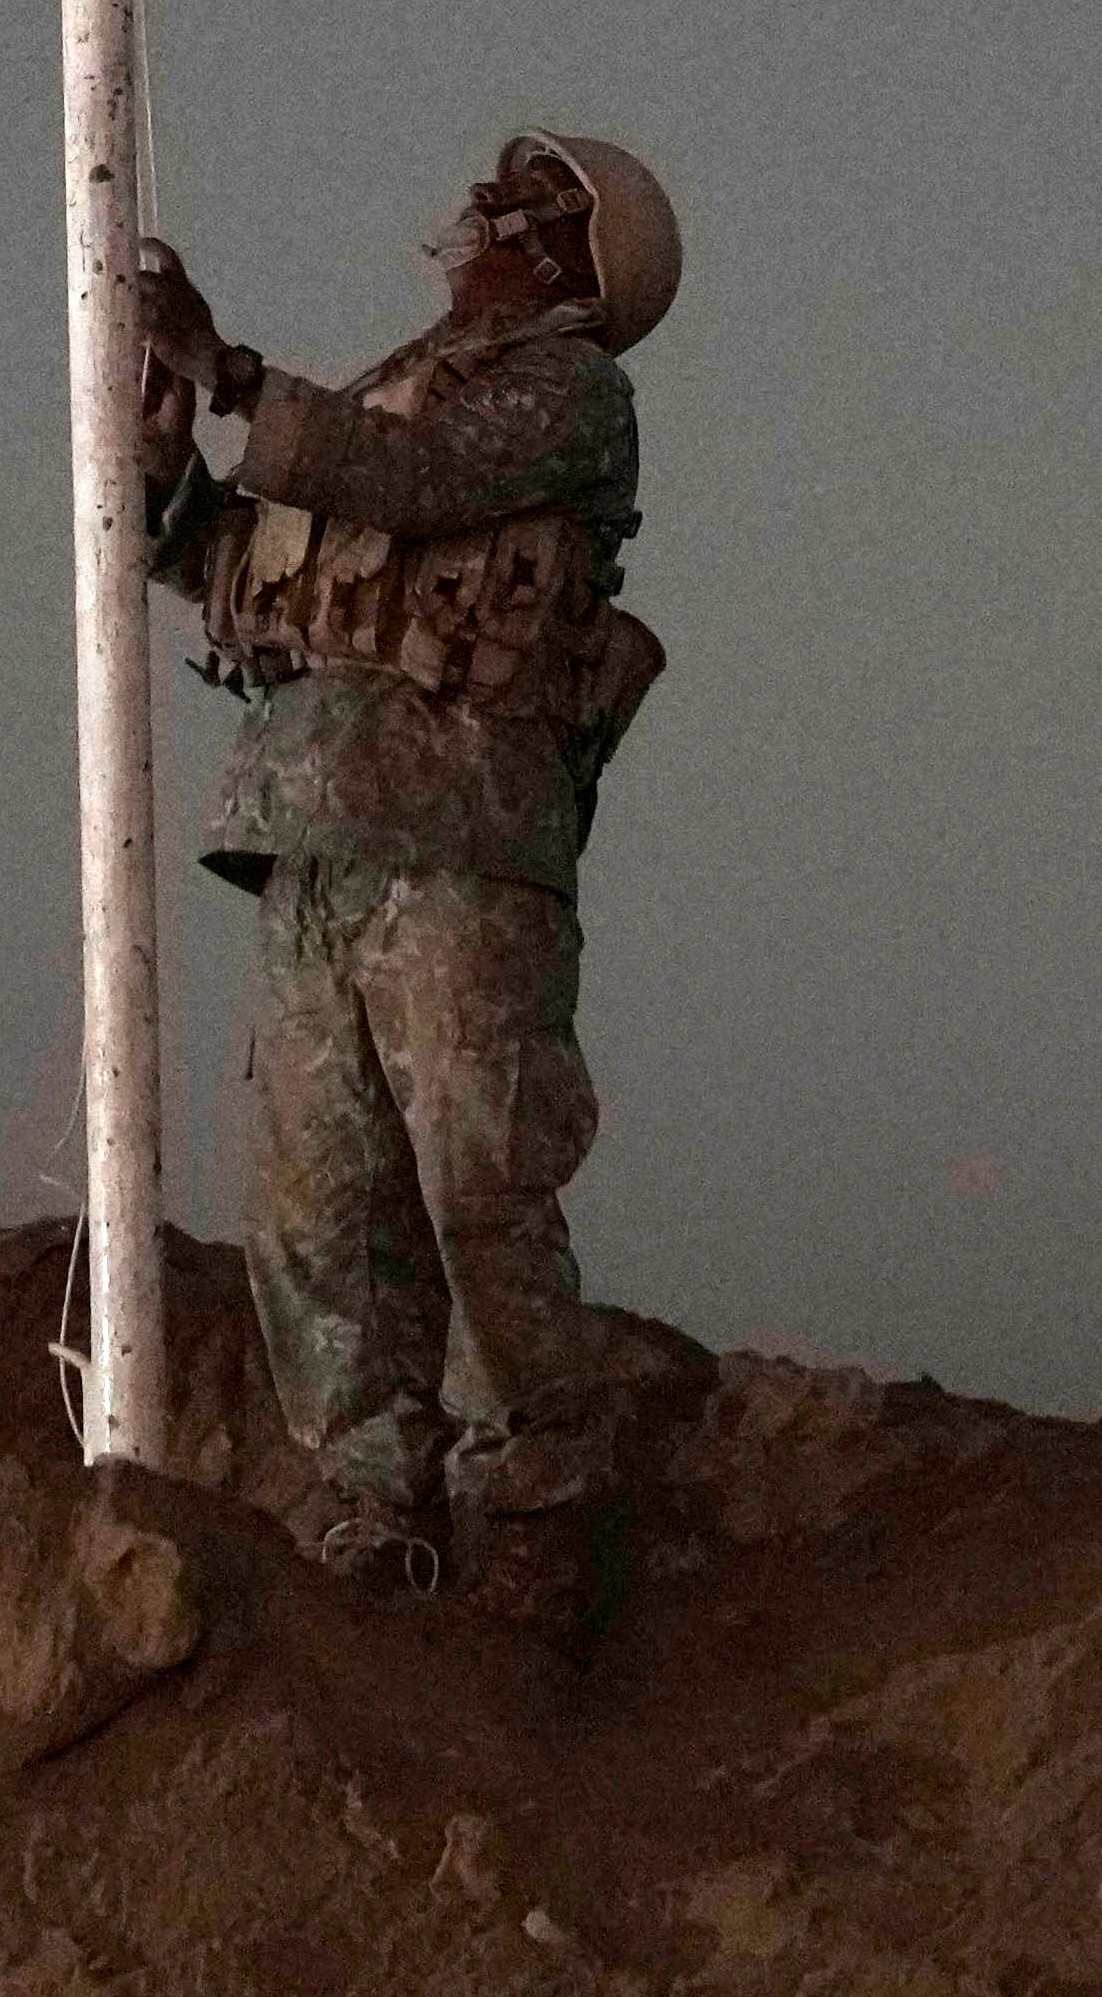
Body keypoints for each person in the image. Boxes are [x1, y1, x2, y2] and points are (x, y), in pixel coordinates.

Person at [132, 130, 692, 1613]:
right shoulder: (392, 386)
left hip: (464, 833)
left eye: (520, 211)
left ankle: (540, 1499)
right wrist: (164, 479)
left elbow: (421, 482)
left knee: (476, 1178)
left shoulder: (571, 394)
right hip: (311, 831)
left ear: (574, 261)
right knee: (323, 1201)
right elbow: (252, 571)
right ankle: (373, 1498)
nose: (472, 224)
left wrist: (235, 375)